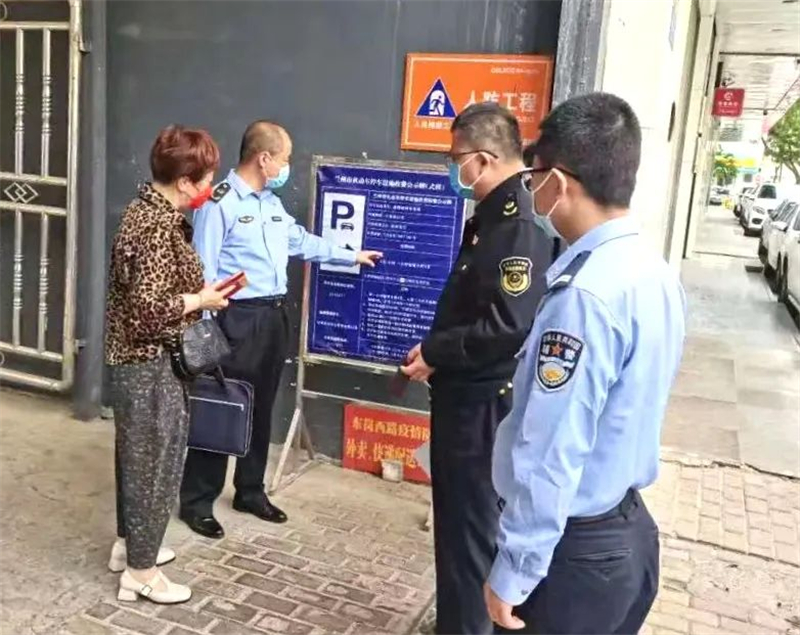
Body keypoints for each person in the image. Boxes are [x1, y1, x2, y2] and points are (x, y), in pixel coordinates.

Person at [484, 93, 686, 634]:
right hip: (627, 535)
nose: (531, 191)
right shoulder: (652, 271)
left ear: (557, 182)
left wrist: (515, 570)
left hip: (572, 558)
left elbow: (553, 447)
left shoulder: (583, 297)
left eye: (533, 178)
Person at [180, 120, 382, 538]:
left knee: (261, 405)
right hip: (233, 317)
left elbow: (300, 241)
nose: (287, 167)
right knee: (220, 405)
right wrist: (204, 335)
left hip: (272, 317)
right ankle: (197, 501)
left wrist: (350, 255)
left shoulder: (271, 204)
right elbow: (201, 270)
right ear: (264, 158)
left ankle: (249, 490)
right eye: (285, 159)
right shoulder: (219, 204)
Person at [401, 102, 554, 635]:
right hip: (464, 395)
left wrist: (438, 352)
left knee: (469, 530)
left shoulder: (518, 226)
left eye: (455, 159)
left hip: (482, 404)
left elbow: (508, 325)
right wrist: (437, 353)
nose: (453, 169)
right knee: (457, 526)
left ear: (483, 159)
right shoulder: (493, 217)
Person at [105, 125, 233, 603]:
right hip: (150, 363)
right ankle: (140, 573)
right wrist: (200, 299)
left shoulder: (145, 212)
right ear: (184, 181)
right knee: (154, 465)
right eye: (206, 178)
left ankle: (132, 546)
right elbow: (148, 311)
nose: (209, 187)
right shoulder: (157, 227)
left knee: (137, 459)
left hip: (139, 362)